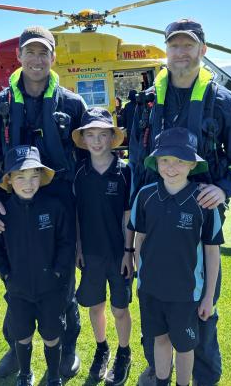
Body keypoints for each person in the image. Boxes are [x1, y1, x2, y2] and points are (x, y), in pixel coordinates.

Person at [128, 18, 231, 386]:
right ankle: (158, 372)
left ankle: (202, 376)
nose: (181, 52)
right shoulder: (148, 98)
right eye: (174, 45)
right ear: (166, 51)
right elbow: (138, 159)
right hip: (153, 213)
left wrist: (224, 189)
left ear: (203, 51)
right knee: (151, 296)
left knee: (200, 302)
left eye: (188, 45)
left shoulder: (221, 101)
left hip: (198, 217)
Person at [0, 26, 86, 378]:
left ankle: (66, 346)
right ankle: (15, 346)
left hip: (61, 207)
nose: (37, 59)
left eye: (44, 53)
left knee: (63, 282)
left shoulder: (72, 104)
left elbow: (86, 160)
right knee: (15, 282)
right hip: (13, 207)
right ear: (18, 57)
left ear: (54, 57)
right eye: (30, 52)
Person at [129, 127, 223, 386]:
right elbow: (140, 238)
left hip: (185, 293)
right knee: (159, 339)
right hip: (151, 289)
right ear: (156, 162)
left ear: (192, 164)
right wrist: (139, 276)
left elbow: (212, 253)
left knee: (184, 346)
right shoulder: (146, 195)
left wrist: (208, 297)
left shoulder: (203, 201)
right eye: (165, 160)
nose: (171, 167)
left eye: (180, 161)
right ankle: (162, 382)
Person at [0, 146, 75, 386]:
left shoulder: (54, 208)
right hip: (18, 290)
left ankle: (54, 375)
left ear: (41, 177)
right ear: (9, 180)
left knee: (51, 335)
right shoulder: (2, 212)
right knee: (22, 335)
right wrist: (6, 275)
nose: (28, 183)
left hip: (50, 290)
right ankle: (25, 373)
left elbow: (66, 244)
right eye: (20, 177)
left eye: (34, 176)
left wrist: (57, 273)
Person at [72, 107, 134, 385]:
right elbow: (75, 214)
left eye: (102, 135)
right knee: (95, 306)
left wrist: (128, 252)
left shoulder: (125, 171)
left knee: (120, 309)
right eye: (91, 135)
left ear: (112, 138)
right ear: (83, 139)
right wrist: (78, 247)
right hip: (91, 254)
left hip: (117, 254)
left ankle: (124, 351)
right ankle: (102, 348)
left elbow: (127, 217)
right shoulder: (79, 172)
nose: (96, 141)